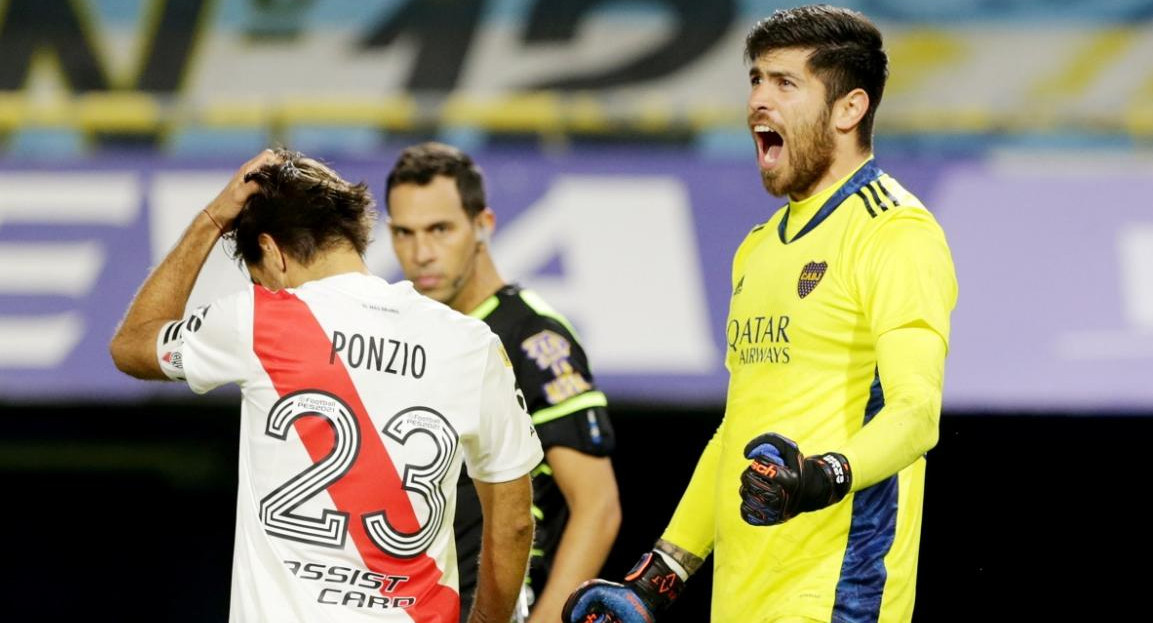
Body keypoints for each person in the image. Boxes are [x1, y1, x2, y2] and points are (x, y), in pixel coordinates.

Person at [563, 5, 958, 623]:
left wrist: (823, 476)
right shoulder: (757, 247)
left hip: (839, 595)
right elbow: (736, 433)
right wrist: (659, 577)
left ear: (849, 109)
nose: (757, 102)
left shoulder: (898, 232)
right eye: (755, 80)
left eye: (784, 83)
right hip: (742, 598)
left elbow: (916, 416)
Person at [108, 148, 543, 623]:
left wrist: (212, 219)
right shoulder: (471, 342)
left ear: (273, 252)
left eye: (259, 279)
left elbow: (132, 345)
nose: (264, 292)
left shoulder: (259, 319)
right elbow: (515, 521)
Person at [384, 142, 622, 623]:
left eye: (440, 230)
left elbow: (598, 507)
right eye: (404, 234)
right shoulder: (397, 331)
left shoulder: (533, 336)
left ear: (483, 226)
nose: (422, 253)